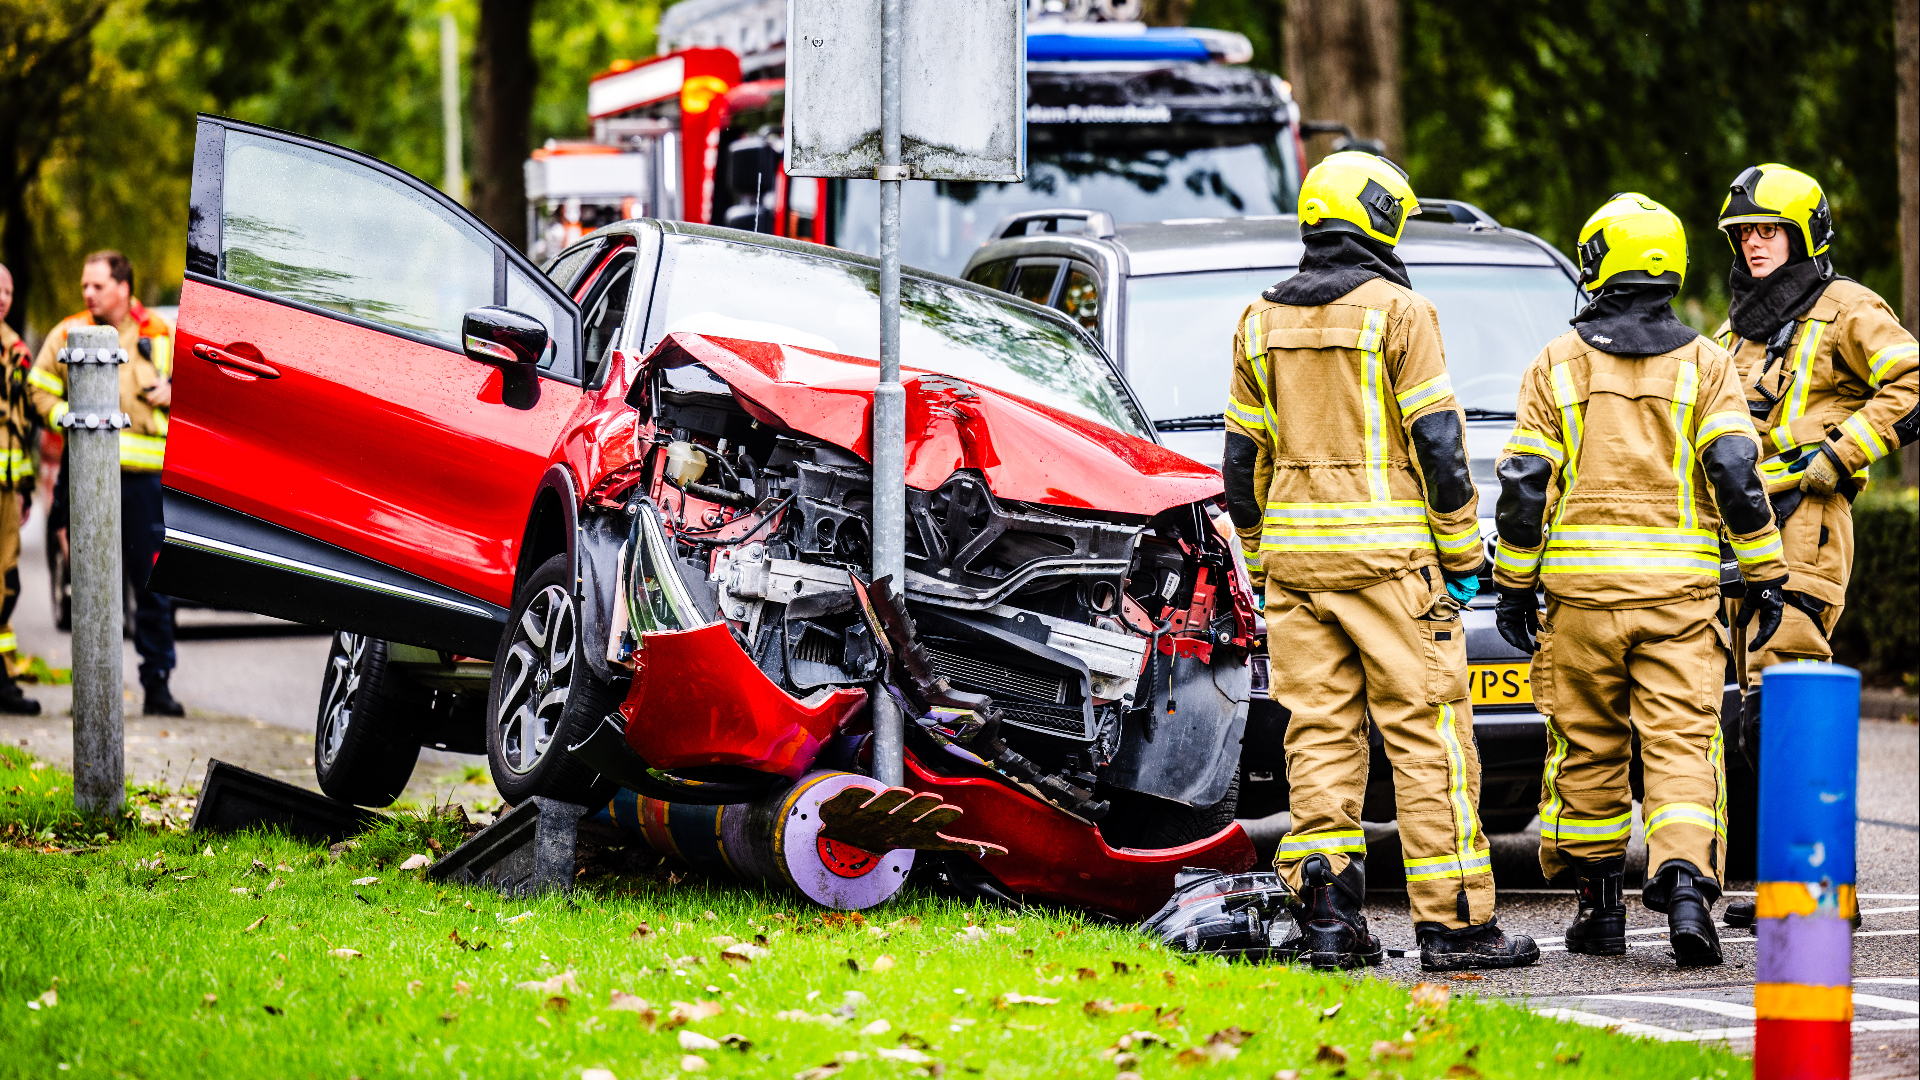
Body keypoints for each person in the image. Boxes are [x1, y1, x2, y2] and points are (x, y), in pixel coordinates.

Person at [1222, 150, 1538, 972]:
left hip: (1297, 568)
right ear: (1382, 221)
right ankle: (1457, 925)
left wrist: (1261, 560)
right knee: (1429, 736)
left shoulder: (1257, 320)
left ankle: (1329, 921)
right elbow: (1439, 444)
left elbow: (1240, 464)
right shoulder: (1401, 312)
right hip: (1393, 566)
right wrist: (1462, 551)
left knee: (1319, 739)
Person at [1491, 193, 1788, 967]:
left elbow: (1524, 485)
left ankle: (1600, 913)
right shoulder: (1708, 363)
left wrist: (1515, 587)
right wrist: (1764, 572)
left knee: (1588, 746)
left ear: (1596, 264)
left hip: (1582, 603)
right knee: (1682, 741)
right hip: (1679, 600)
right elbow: (1736, 470)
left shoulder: (1557, 362)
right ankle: (1685, 888)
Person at [1709, 164, 1918, 929]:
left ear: (1805, 235)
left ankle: (1822, 897)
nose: (1754, 244)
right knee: (1754, 717)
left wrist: (1838, 455)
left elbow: (1913, 384)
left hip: (1807, 522)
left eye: (1769, 231)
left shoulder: (1848, 308)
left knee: (1788, 701)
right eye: (1744, 234)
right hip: (1741, 531)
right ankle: (1788, 888)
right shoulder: (1735, 329)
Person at [28, 250, 184, 716]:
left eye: (97, 285)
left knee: (152, 588)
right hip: (88, 478)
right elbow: (37, 388)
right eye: (84, 285)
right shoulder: (69, 331)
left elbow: (200, 388)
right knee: (92, 586)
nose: (88, 293)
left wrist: (175, 392)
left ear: (123, 287)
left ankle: (157, 686)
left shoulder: (160, 331)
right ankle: (94, 692)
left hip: (145, 484)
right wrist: (68, 418)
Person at [0, 263, 41, 714]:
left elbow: (19, 425)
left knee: (6, 581)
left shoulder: (15, 349)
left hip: (7, 488)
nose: (2, 298)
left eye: (8, 291)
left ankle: (4, 675)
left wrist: (25, 487)